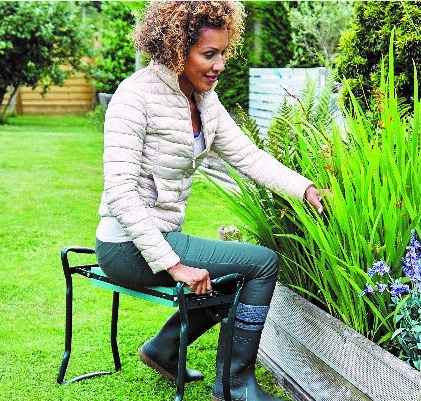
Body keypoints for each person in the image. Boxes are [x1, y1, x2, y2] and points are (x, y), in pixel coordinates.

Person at [94, 1, 323, 400]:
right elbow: (120, 191)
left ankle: (163, 349)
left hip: (157, 238)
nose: (219, 65)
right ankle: (234, 385)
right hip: (126, 246)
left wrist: (304, 188)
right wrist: (175, 265)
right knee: (261, 263)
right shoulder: (134, 98)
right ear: (175, 49)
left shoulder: (204, 101)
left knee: (233, 271)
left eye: (222, 53)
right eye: (208, 54)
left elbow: (249, 156)